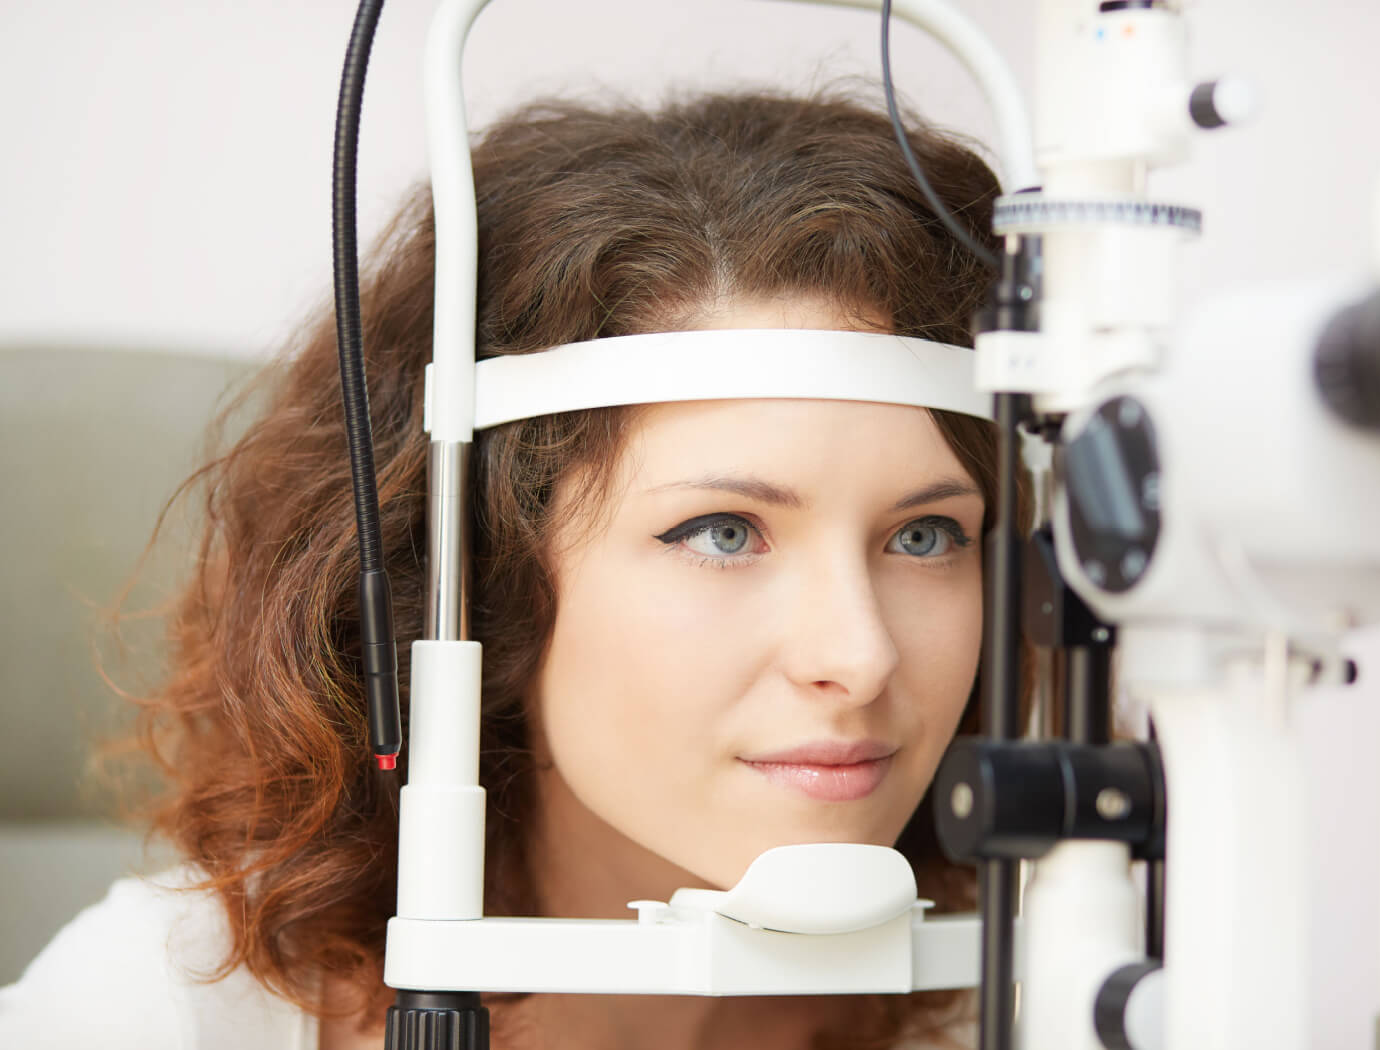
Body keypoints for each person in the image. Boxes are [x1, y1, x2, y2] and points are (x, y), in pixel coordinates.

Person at [1, 87, 1017, 1050]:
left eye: (923, 537)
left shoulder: (1039, 989)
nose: (859, 655)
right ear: (475, 587)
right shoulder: (170, 1008)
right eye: (721, 531)